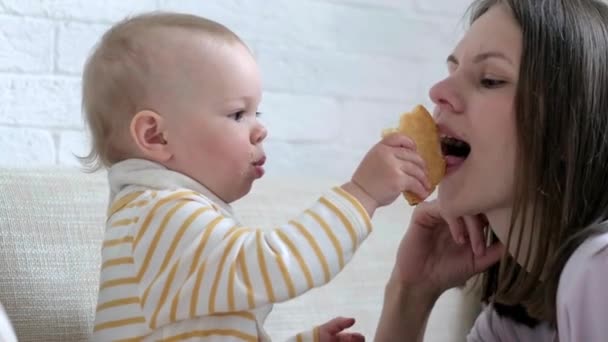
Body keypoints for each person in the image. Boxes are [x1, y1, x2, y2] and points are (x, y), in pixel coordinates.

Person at [82, 12, 431, 342]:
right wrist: (362, 193)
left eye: (256, 112)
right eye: (237, 114)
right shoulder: (156, 215)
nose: (260, 128)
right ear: (156, 136)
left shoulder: (174, 219)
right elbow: (275, 266)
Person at [373, 0, 608, 341]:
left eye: (490, 80)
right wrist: (410, 293)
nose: (438, 92)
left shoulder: (599, 267)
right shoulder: (515, 320)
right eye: (453, 70)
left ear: (571, 130)